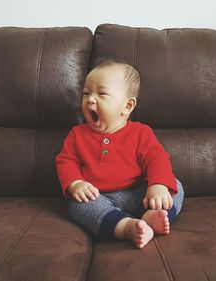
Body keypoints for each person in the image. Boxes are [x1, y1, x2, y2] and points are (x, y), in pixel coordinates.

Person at [56, 60, 184, 248]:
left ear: (127, 106)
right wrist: (76, 183)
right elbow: (66, 161)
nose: (90, 99)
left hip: (139, 193)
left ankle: (153, 216)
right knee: (77, 206)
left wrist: (157, 185)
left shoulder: (141, 132)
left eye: (101, 94)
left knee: (175, 186)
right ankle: (125, 226)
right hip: (98, 196)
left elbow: (157, 159)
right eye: (86, 93)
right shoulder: (77, 134)